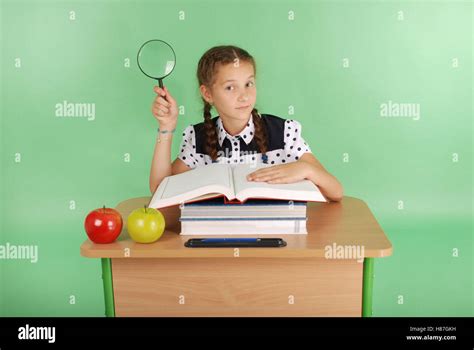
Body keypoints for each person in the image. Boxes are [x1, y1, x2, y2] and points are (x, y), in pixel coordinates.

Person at [149, 45, 343, 202]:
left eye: (249, 84)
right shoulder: (197, 139)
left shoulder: (284, 132)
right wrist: (167, 127)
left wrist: (307, 169)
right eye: (230, 87)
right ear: (208, 94)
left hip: (277, 236)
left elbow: (335, 191)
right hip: (219, 237)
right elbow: (160, 190)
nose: (244, 96)